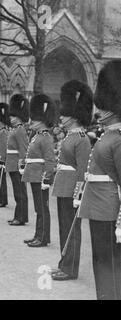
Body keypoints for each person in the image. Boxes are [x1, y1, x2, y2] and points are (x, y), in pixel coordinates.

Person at [79, 60, 121, 300]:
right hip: (98, 204)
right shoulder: (110, 134)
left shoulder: (117, 138)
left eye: (105, 106)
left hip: (108, 208)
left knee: (108, 262)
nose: (99, 110)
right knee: (100, 261)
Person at [50, 80, 93, 281]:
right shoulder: (70, 136)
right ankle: (64, 263)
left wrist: (78, 193)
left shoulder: (81, 139)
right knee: (64, 227)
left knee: (71, 229)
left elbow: (82, 170)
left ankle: (71, 268)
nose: (61, 117)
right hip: (63, 186)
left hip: (71, 190)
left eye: (65, 114)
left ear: (74, 116)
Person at [22, 94, 56, 248]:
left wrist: (46, 178)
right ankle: (38, 235)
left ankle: (43, 238)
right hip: (34, 175)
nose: (31, 122)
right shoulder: (37, 136)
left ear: (42, 121)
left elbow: (50, 161)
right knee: (38, 208)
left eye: (34, 120)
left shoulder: (46, 137)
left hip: (40, 177)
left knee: (43, 208)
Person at [6, 94, 29, 226]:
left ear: (19, 117)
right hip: (12, 163)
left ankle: (20, 217)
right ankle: (19, 215)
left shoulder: (20, 130)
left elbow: (23, 149)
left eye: (13, 116)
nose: (11, 118)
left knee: (20, 192)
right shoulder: (16, 129)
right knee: (17, 192)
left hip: (17, 164)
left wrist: (22, 165)